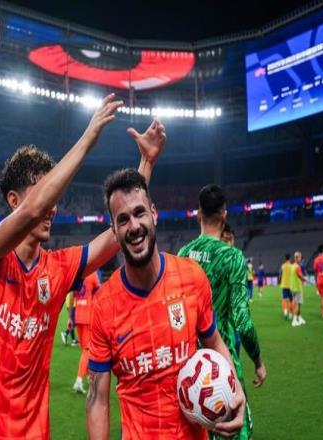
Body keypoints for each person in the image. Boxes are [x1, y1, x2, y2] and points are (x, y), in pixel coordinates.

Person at [0, 94, 166, 440]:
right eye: (45, 192)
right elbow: (33, 210)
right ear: (13, 200)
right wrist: (88, 137)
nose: (53, 207)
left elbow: (116, 237)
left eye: (54, 197)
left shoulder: (56, 269)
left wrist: (146, 163)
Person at [87, 170, 246, 440]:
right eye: (122, 219)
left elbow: (215, 342)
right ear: (113, 229)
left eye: (139, 213)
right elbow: (97, 399)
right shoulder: (104, 305)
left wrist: (235, 387)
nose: (134, 226)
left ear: (154, 214)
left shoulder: (192, 277)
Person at [178, 184, 266, 440]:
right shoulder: (232, 257)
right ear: (224, 215)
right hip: (222, 365)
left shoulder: (183, 255)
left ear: (198, 213)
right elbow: (242, 321)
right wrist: (258, 361)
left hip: (190, 369)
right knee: (237, 431)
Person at [72, 270, 102, 394]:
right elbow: (100, 292)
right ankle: (79, 380)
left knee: (85, 351)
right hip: (88, 316)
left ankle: (91, 382)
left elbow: (72, 296)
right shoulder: (93, 274)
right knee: (87, 350)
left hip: (78, 316)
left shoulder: (77, 274)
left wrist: (71, 317)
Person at [290, 251, 307, 327]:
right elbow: (300, 276)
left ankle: (299, 317)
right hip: (297, 288)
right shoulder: (297, 267)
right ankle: (294, 320)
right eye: (300, 257)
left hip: (293, 288)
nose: (301, 258)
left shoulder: (292, 266)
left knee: (298, 304)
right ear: (297, 258)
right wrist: (304, 279)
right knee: (297, 304)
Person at [279, 254, 293, 320]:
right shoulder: (292, 266)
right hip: (291, 286)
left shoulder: (283, 266)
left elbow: (280, 275)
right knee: (291, 300)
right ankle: (290, 314)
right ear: (290, 258)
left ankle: (285, 312)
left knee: (284, 299)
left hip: (284, 285)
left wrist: (279, 281)